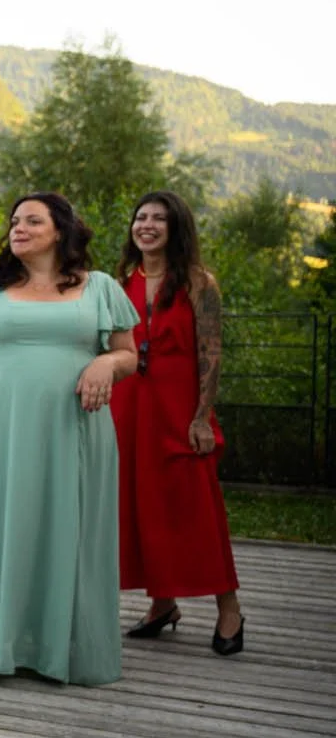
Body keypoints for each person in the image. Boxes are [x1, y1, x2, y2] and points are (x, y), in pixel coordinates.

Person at [0, 193, 138, 690]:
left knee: (63, 526)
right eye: (15, 221)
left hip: (73, 429)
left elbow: (128, 356)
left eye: (32, 221)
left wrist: (105, 362)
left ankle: (48, 643)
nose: (18, 227)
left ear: (60, 230)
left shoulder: (100, 287)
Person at [112, 191, 243, 655]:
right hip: (129, 408)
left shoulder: (198, 282)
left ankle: (229, 610)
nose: (147, 225)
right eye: (141, 217)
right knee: (140, 504)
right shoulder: (120, 281)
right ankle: (162, 604)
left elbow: (211, 351)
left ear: (176, 228)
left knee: (196, 507)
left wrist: (202, 416)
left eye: (159, 219)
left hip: (178, 410)